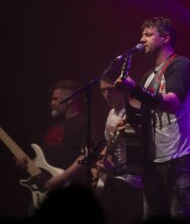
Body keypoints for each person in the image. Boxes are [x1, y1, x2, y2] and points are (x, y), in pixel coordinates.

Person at [115, 16, 190, 222]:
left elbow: (172, 103)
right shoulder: (148, 75)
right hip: (153, 161)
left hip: (180, 156)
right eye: (142, 35)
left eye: (148, 34)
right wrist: (130, 126)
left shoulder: (181, 65)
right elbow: (149, 115)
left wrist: (134, 90)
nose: (141, 39)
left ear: (165, 38)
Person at [15, 80, 92, 213]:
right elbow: (41, 158)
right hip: (42, 190)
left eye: (56, 99)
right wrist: (26, 163)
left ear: (70, 100)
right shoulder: (52, 124)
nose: (52, 103)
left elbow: (87, 154)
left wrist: (62, 177)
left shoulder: (84, 121)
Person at [93, 74, 143, 224]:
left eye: (111, 89)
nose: (107, 95)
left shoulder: (134, 113)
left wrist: (114, 169)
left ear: (122, 89)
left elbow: (143, 149)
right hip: (113, 177)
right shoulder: (111, 113)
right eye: (103, 91)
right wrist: (100, 163)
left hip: (129, 180)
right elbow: (109, 145)